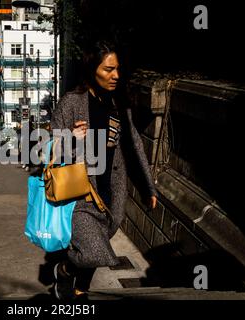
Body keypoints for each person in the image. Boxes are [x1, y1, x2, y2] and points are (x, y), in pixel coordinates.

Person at [50, 41, 158, 300]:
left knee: (97, 246)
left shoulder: (119, 104)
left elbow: (133, 147)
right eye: (108, 69)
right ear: (92, 70)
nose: (116, 76)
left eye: (118, 69)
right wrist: (70, 138)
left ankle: (76, 290)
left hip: (112, 193)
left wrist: (147, 187)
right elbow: (48, 148)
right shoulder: (71, 102)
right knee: (97, 252)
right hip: (81, 194)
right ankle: (64, 269)